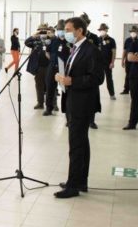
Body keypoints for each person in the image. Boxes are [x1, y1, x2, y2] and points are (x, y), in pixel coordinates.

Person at [54, 17, 103, 199]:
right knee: (81, 142)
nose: (65, 33)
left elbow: (97, 78)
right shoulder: (75, 49)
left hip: (83, 103)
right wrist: (63, 78)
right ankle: (80, 180)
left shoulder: (91, 50)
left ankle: (72, 186)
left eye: (68, 29)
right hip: (73, 101)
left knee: (76, 144)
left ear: (79, 30)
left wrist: (72, 81)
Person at [43, 22, 67, 117]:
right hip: (52, 66)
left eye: (62, 29)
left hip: (64, 67)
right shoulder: (53, 41)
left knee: (65, 90)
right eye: (59, 29)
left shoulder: (69, 42)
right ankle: (49, 109)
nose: (60, 31)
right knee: (50, 88)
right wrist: (54, 61)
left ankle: (67, 112)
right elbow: (47, 53)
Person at [25, 24, 50, 110]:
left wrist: (50, 35)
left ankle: (50, 105)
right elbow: (26, 42)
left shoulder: (50, 40)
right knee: (39, 86)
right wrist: (34, 35)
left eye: (44, 30)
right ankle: (40, 103)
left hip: (49, 67)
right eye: (41, 30)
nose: (42, 31)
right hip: (38, 67)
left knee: (49, 86)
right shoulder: (35, 40)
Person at [97, 23, 117, 100]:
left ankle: (112, 94)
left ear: (106, 30)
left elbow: (114, 52)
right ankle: (95, 95)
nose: (102, 31)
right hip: (99, 63)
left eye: (103, 30)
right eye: (101, 30)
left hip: (108, 63)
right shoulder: (97, 39)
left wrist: (112, 62)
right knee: (97, 79)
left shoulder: (111, 40)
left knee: (109, 79)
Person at [121, 26, 138, 95]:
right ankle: (126, 89)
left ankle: (136, 89)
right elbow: (125, 51)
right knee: (128, 75)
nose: (133, 33)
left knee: (136, 75)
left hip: (136, 61)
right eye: (131, 32)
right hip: (128, 61)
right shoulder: (127, 40)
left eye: (134, 32)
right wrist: (122, 60)